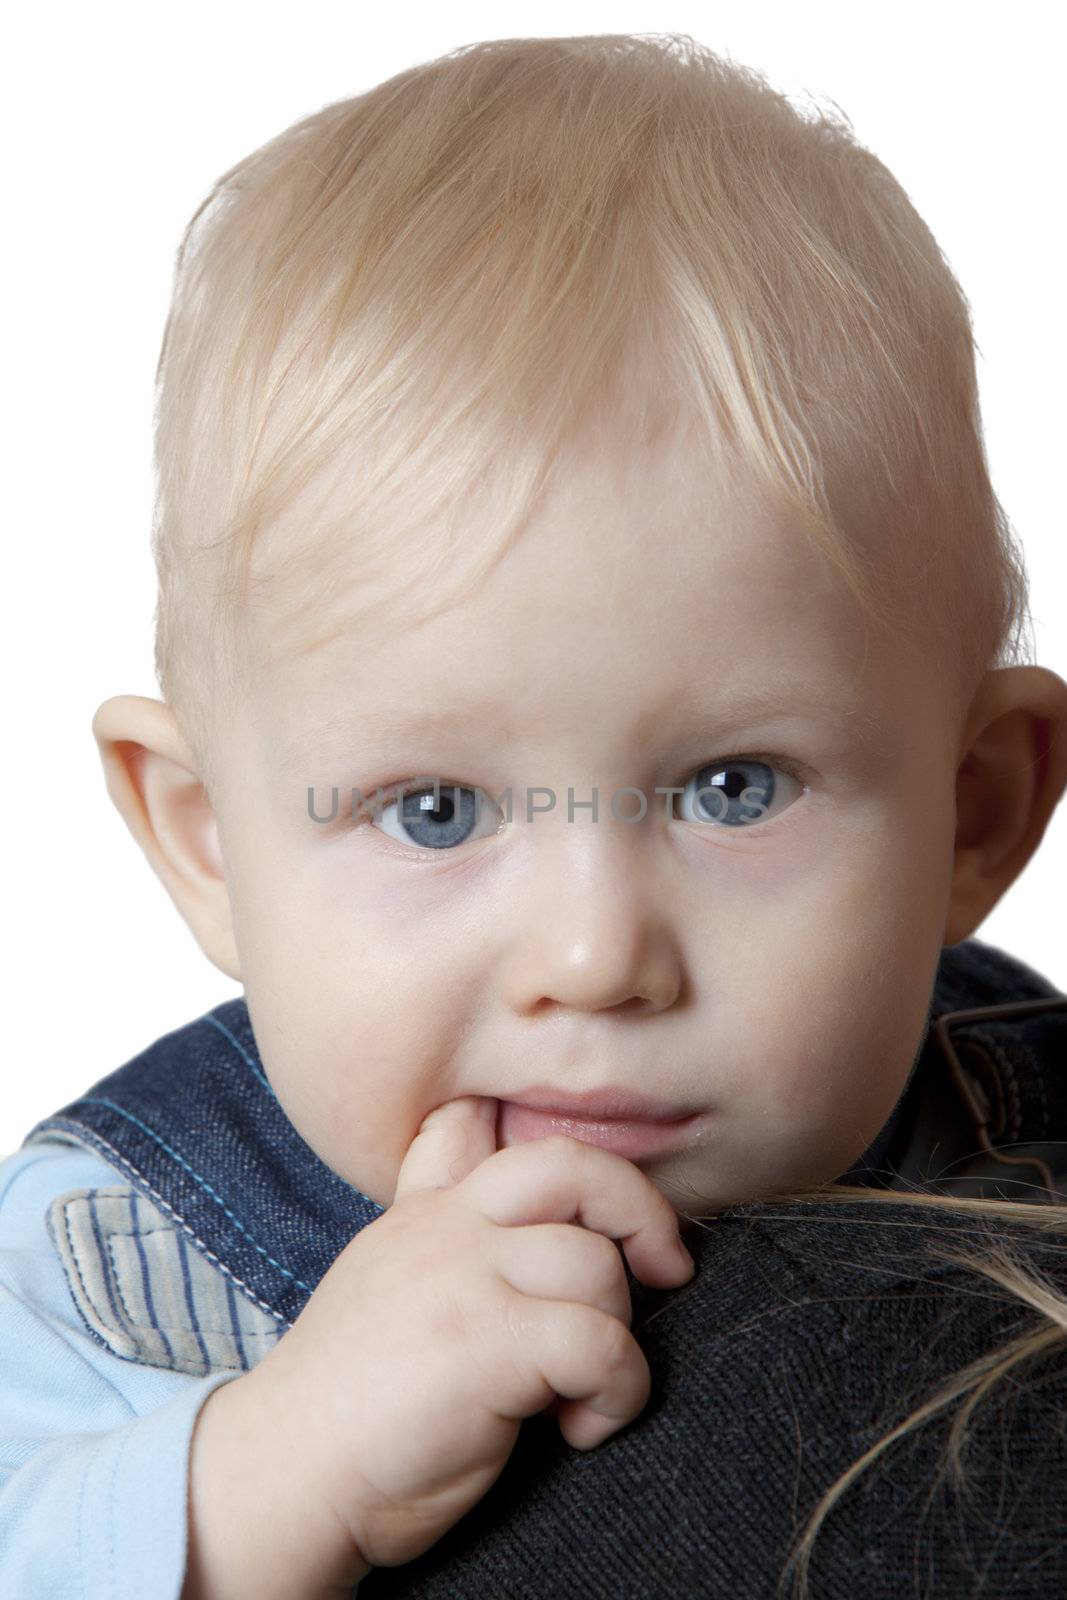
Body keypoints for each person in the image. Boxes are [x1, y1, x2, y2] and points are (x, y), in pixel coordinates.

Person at [2, 30, 1066, 1598]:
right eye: (433, 810)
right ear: (208, 841)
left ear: (974, 815)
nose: (592, 955)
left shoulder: (1021, 1120)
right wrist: (263, 1474)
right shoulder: (130, 1255)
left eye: (732, 789)